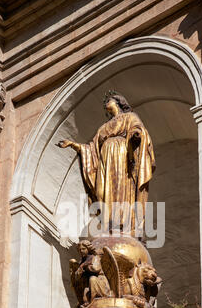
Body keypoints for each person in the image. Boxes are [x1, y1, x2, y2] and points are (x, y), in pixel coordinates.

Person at [57, 91, 156, 235]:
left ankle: (122, 224)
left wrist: (136, 134)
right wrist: (73, 145)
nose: (106, 103)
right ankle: (106, 223)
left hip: (121, 153)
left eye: (109, 100)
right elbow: (92, 148)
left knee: (120, 187)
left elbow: (138, 128)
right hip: (105, 158)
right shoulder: (104, 126)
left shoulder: (130, 117)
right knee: (101, 190)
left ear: (118, 102)